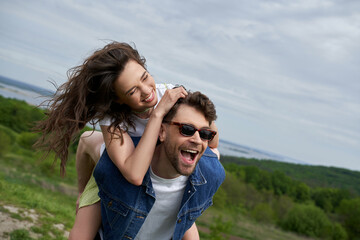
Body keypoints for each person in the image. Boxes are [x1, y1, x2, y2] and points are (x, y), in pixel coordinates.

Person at [34, 41, 218, 239]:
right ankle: (82, 191)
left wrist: (199, 113)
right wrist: (158, 115)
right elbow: (134, 174)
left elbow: (212, 145)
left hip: (161, 171)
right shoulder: (112, 117)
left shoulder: (170, 93)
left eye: (145, 77)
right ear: (118, 99)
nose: (147, 91)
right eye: (132, 91)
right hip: (121, 167)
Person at [93, 91, 226, 240]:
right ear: (161, 131)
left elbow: (187, 220)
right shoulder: (117, 166)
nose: (197, 140)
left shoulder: (212, 175)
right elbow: (87, 142)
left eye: (205, 134)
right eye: (187, 129)